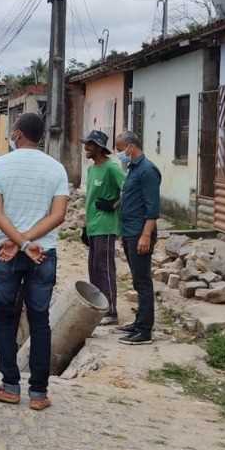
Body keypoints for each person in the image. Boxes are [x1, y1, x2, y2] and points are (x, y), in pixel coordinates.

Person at [0, 112, 69, 411]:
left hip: (7, 252)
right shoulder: (56, 169)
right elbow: (58, 215)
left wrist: (19, 243)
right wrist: (29, 243)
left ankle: (9, 386)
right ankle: (39, 394)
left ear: (17, 134)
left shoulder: (0, 165)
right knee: (40, 320)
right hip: (43, 253)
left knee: (5, 317)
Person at [114, 130, 161, 345]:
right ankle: (139, 322)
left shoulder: (148, 170)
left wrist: (145, 235)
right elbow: (131, 198)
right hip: (129, 231)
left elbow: (152, 208)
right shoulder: (133, 169)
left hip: (139, 233)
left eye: (120, 149)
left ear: (130, 147)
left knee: (143, 281)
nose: (119, 154)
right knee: (137, 279)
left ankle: (145, 330)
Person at [82, 130, 124, 325]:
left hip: (106, 226)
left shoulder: (111, 168)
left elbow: (128, 190)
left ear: (99, 148)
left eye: (90, 145)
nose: (86, 148)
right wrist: (85, 225)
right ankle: (99, 307)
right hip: (92, 226)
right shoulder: (91, 170)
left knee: (105, 268)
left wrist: (113, 205)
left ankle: (111, 311)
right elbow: (89, 199)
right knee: (94, 269)